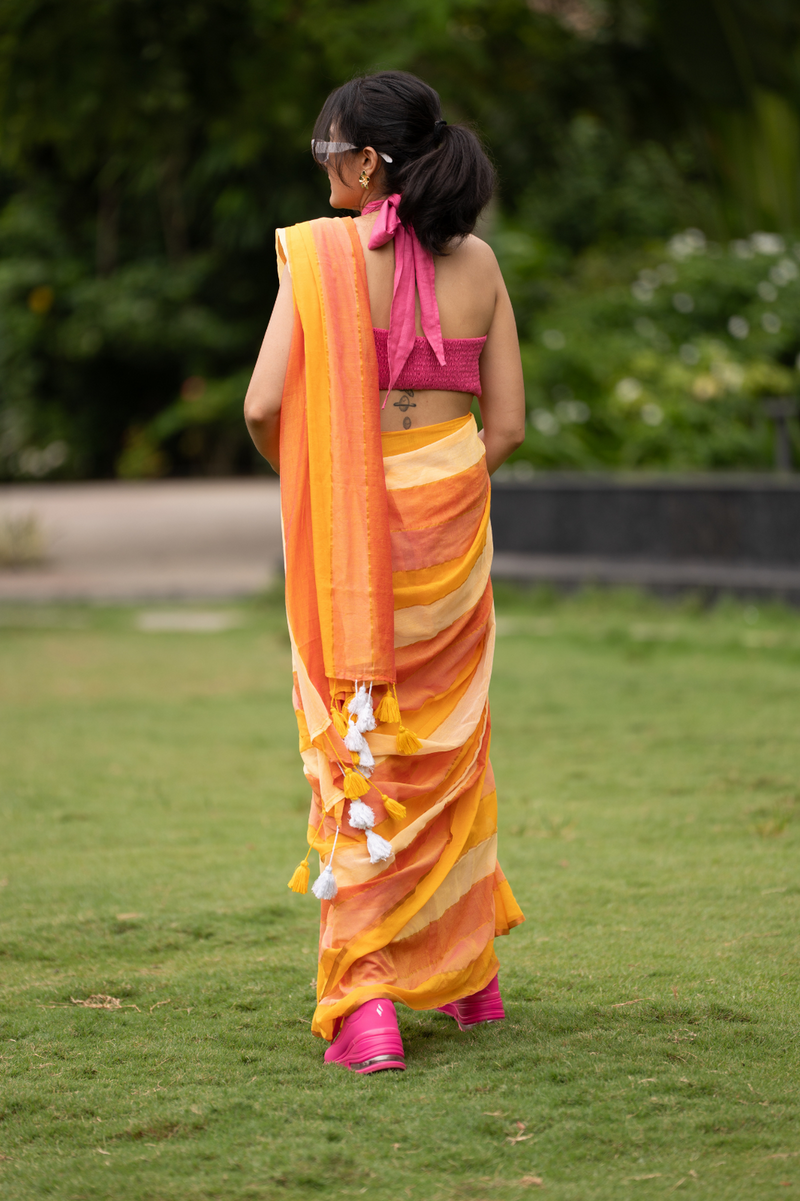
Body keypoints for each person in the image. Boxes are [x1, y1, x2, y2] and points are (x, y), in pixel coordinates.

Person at [244, 70, 526, 1075]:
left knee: (359, 748)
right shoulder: (481, 262)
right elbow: (506, 427)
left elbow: (262, 402)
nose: (320, 163)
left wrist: (337, 486)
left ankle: (367, 1005)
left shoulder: (316, 259)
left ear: (367, 163)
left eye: (330, 148)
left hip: (351, 534)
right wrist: (431, 479)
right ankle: (467, 979)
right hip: (450, 529)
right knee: (444, 751)